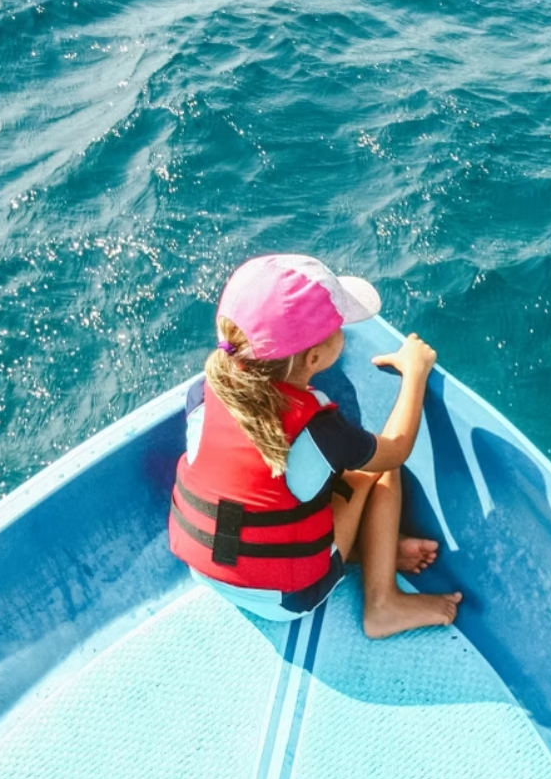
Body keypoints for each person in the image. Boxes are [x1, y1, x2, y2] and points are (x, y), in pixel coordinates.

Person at [167, 253, 462, 637]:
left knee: (292, 489)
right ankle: (384, 603)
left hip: (207, 570)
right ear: (314, 357)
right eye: (339, 326)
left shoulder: (203, 395)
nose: (343, 330)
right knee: (376, 471)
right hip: (288, 599)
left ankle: (372, 551)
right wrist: (415, 372)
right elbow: (397, 447)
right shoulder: (318, 430)